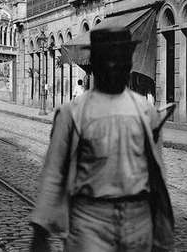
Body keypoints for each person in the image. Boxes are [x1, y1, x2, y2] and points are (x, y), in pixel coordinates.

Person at [30, 27, 174, 251]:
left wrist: (161, 231)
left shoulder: (145, 111)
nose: (116, 66)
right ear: (95, 63)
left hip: (138, 220)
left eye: (122, 59)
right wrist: (41, 230)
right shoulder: (73, 113)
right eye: (109, 59)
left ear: (129, 63)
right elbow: (54, 172)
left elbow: (157, 173)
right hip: (90, 221)